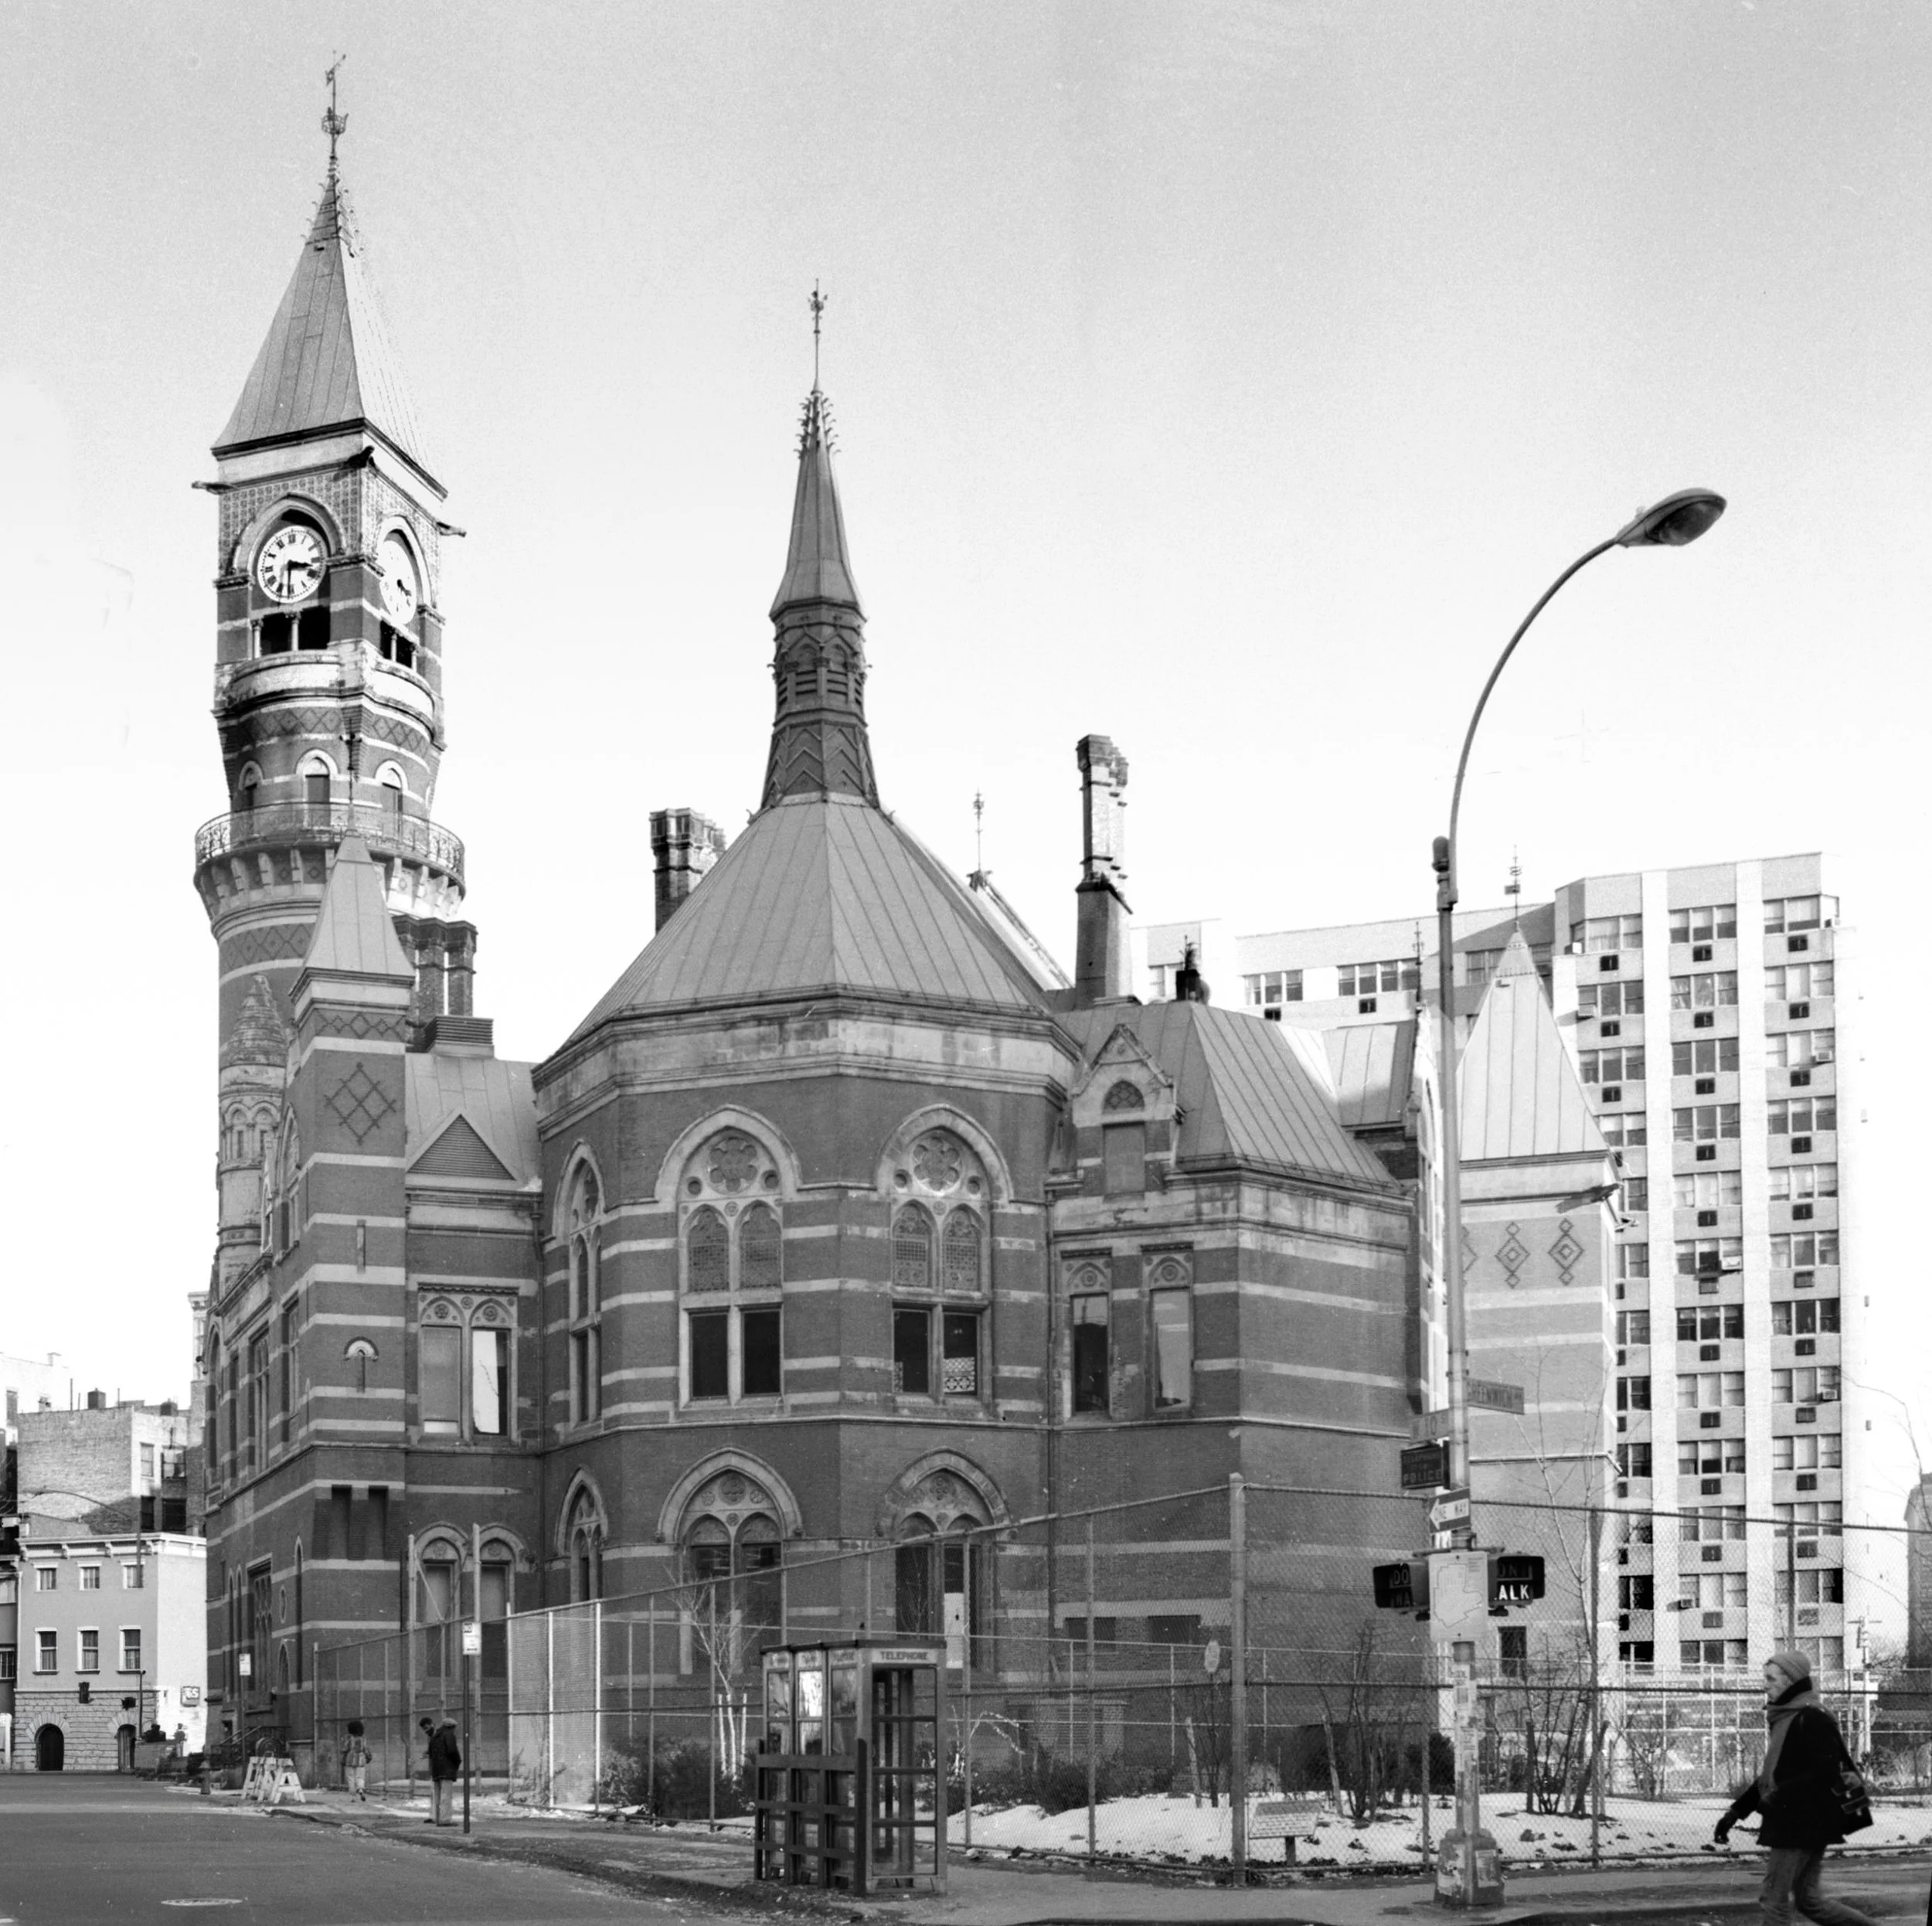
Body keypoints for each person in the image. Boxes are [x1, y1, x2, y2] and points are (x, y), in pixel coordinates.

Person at [1714, 1649, 1878, 1926]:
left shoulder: (1812, 1717)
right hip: (1804, 1822)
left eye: (1771, 1679)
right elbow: (1772, 1776)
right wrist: (1736, 1812)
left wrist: (1779, 1796)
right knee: (1808, 1901)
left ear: (1790, 1680)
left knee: (1773, 1900)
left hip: (1801, 1824)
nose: (1765, 1685)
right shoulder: (1786, 1717)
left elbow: (1824, 1772)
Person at [427, 1714, 461, 1826]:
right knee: (446, 1795)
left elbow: (431, 1754)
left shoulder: (435, 1737)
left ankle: (436, 1818)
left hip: (436, 1770)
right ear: (452, 1727)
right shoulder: (449, 1735)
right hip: (446, 1770)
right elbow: (452, 1751)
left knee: (437, 1796)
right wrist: (457, 1761)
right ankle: (445, 1819)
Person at [342, 1720, 372, 1802]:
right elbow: (366, 1749)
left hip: (350, 1759)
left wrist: (343, 1759)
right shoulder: (363, 1739)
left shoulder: (348, 1738)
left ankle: (353, 1797)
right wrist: (368, 1757)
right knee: (360, 1777)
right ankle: (361, 1789)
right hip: (361, 1760)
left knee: (350, 1778)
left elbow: (345, 1749)